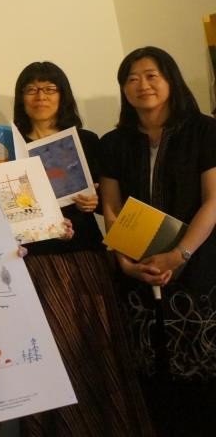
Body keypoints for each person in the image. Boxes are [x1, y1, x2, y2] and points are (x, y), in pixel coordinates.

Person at [11, 62, 153, 436]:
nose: (40, 96)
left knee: (98, 346)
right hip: (37, 264)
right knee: (54, 350)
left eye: (49, 88)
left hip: (86, 259)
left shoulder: (88, 141)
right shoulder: (9, 148)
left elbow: (109, 202)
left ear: (63, 95)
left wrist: (94, 200)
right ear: (21, 98)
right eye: (31, 89)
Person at [100, 46, 216, 436]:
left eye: (152, 75)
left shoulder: (205, 130)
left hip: (199, 270)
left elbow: (214, 200)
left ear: (170, 80)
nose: (142, 85)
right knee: (153, 378)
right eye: (131, 79)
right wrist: (123, 261)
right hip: (137, 275)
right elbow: (111, 208)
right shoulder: (113, 142)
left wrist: (179, 254)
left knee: (205, 380)